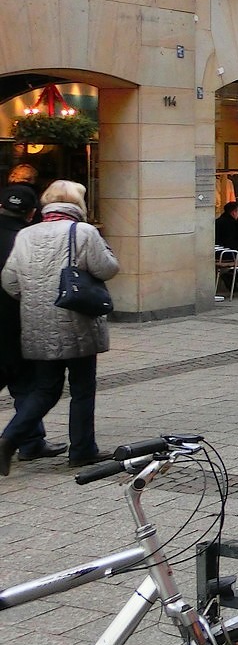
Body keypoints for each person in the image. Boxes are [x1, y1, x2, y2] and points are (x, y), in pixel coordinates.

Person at [0, 181, 118, 474]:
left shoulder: (26, 234)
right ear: (78, 203)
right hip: (77, 320)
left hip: (37, 325)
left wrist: (34, 300)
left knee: (44, 389)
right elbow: (108, 269)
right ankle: (82, 449)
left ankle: (9, 438)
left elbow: (10, 280)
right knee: (82, 388)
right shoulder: (84, 232)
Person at [0, 185, 55, 462]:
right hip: (16, 323)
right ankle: (30, 441)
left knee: (25, 383)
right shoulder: (26, 241)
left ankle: (32, 440)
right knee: (26, 384)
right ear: (32, 213)